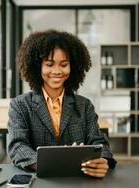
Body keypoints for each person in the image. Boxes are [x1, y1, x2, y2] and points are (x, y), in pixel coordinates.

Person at [7, 29, 117, 178]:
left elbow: (98, 142)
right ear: (38, 66)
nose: (57, 71)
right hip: (38, 182)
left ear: (73, 67)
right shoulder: (20, 105)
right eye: (49, 64)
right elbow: (17, 145)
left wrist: (102, 160)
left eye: (64, 64)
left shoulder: (84, 106)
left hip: (78, 183)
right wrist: (49, 165)